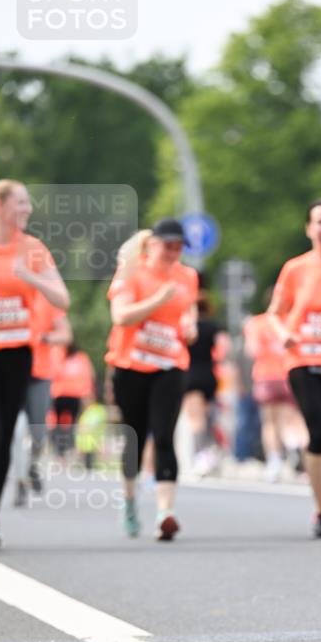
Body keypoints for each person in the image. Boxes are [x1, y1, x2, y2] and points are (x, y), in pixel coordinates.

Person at [0, 178, 69, 548]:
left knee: (2, 435)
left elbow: (62, 298)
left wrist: (32, 278)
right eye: (21, 202)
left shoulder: (33, 248)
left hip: (18, 353)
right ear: (0, 206)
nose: (27, 209)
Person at [106, 218, 198, 540]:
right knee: (135, 435)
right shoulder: (132, 272)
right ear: (152, 244)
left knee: (163, 435)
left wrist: (189, 323)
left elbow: (187, 308)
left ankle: (165, 512)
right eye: (168, 245)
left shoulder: (188, 276)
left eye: (179, 246)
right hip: (130, 365)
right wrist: (159, 299)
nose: (174, 252)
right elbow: (120, 316)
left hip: (170, 364)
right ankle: (130, 500)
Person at [268, 200, 321, 536]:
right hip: (303, 359)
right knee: (319, 434)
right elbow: (274, 313)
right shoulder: (295, 268)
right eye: (320, 222)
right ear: (309, 228)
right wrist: (285, 334)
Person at [12, 299, 71, 504]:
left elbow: (66, 334)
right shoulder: (8, 296)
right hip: (12, 374)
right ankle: (20, 482)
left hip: (40, 375)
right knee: (16, 431)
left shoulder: (47, 301)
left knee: (38, 432)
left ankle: (33, 466)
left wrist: (45, 337)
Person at [244, 295, 308, 481]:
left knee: (270, 422)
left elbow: (252, 350)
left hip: (265, 376)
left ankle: (274, 461)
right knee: (293, 419)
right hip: (289, 374)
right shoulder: (291, 321)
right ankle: (296, 448)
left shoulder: (256, 323)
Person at [182, 291, 221, 474]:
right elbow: (223, 349)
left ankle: (202, 455)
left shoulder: (188, 327)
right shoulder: (213, 327)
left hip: (191, 376)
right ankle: (209, 452)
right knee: (205, 416)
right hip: (209, 375)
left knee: (195, 419)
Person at [50, 339, 96, 457]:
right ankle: (58, 449)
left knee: (71, 424)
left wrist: (88, 393)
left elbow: (87, 375)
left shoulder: (81, 358)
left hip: (74, 395)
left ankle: (67, 448)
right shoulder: (57, 353)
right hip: (58, 394)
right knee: (57, 423)